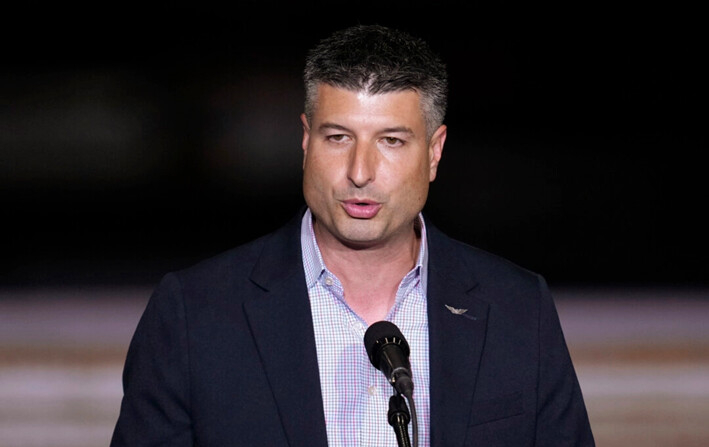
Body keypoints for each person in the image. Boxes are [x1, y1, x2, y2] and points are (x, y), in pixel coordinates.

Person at [111, 24, 594, 446]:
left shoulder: (516, 308)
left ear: (434, 151)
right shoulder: (194, 314)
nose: (360, 172)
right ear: (305, 142)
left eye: (391, 141)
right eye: (337, 137)